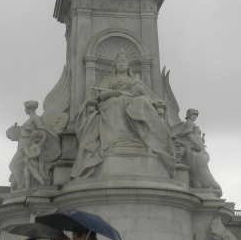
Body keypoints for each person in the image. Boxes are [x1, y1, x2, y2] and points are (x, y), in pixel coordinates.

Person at [72, 51, 176, 179]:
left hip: (131, 101)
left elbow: (144, 95)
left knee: (142, 102)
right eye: (119, 61)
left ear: (128, 65)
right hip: (112, 101)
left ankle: (145, 140)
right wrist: (115, 93)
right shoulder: (108, 79)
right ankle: (116, 142)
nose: (121, 63)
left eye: (124, 61)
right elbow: (101, 95)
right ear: (115, 64)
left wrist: (138, 90)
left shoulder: (134, 80)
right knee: (115, 104)